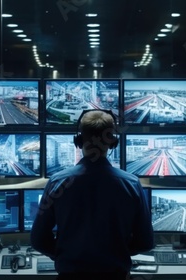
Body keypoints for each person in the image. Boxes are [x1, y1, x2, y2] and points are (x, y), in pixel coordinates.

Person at [30, 109, 154, 280]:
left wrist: (63, 253)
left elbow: (38, 239)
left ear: (79, 141)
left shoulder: (58, 183)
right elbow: (145, 242)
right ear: (113, 142)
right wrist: (118, 251)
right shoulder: (131, 184)